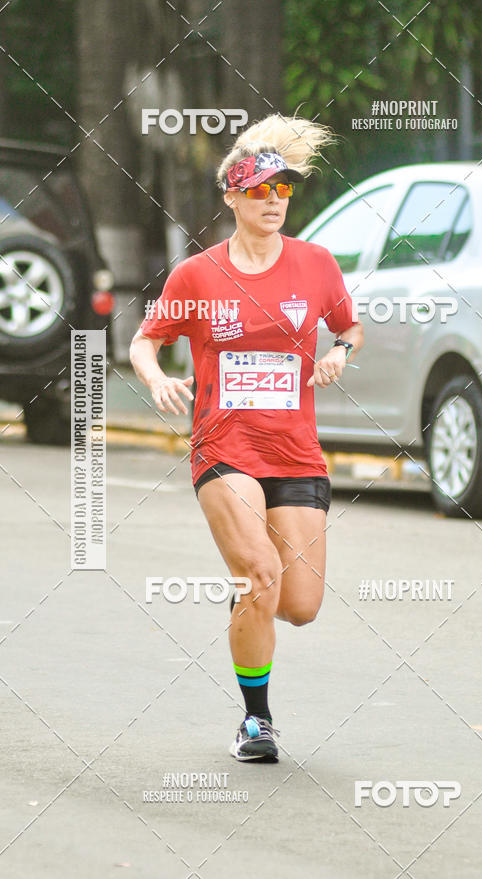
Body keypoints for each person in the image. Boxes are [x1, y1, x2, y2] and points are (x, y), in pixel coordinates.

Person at [130, 115, 363, 762]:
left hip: (295, 451)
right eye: (259, 191)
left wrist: (341, 351)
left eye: (282, 191)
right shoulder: (199, 277)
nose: (272, 201)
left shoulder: (316, 264)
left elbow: (349, 326)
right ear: (232, 197)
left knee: (300, 605)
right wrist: (153, 377)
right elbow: (146, 339)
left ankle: (248, 612)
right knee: (259, 574)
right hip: (224, 449)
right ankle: (256, 721)